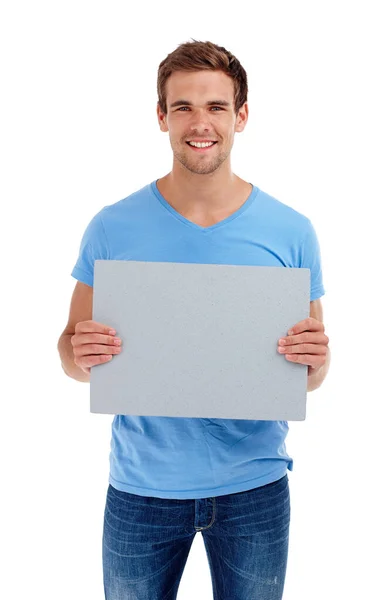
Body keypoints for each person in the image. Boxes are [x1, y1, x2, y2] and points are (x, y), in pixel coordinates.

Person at [58, 39, 330, 600]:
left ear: (241, 117)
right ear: (161, 117)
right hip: (142, 489)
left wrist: (317, 361)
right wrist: (78, 353)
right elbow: (70, 353)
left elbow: (310, 372)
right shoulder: (111, 227)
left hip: (254, 488)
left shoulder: (292, 231)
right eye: (182, 106)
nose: (199, 122)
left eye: (216, 107)